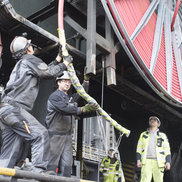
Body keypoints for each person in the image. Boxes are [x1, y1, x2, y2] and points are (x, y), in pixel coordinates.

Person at [0, 35, 72, 172]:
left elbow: (43, 70)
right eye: (30, 46)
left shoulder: (23, 63)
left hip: (5, 110)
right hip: (15, 109)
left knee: (10, 150)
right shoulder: (30, 59)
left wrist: (58, 59)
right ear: (28, 49)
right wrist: (65, 64)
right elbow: (48, 73)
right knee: (41, 135)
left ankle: (3, 175)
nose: (32, 47)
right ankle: (37, 174)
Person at [45, 70, 99, 177]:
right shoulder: (54, 97)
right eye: (64, 81)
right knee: (51, 164)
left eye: (69, 82)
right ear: (58, 82)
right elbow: (65, 109)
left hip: (67, 136)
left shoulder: (68, 97)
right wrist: (83, 109)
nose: (67, 84)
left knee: (67, 166)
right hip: (55, 134)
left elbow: (81, 93)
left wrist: (86, 81)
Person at [136, 116, 171, 182]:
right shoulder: (143, 134)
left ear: (158, 124)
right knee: (144, 180)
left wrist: (168, 162)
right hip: (146, 161)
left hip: (159, 163)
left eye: (155, 120)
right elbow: (139, 148)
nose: (152, 120)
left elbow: (167, 150)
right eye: (151, 120)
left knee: (158, 180)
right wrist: (138, 160)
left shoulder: (162, 135)